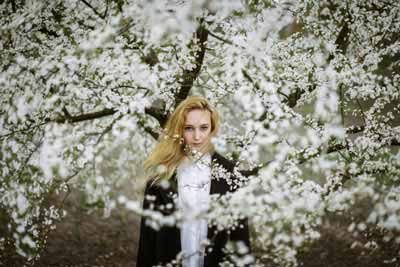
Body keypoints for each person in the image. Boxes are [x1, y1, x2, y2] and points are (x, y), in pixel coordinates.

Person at [136, 96, 251, 267]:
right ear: (179, 130)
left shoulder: (231, 176)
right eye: (189, 128)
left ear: (212, 129)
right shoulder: (160, 180)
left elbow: (240, 240)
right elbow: (147, 244)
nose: (197, 137)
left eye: (203, 128)